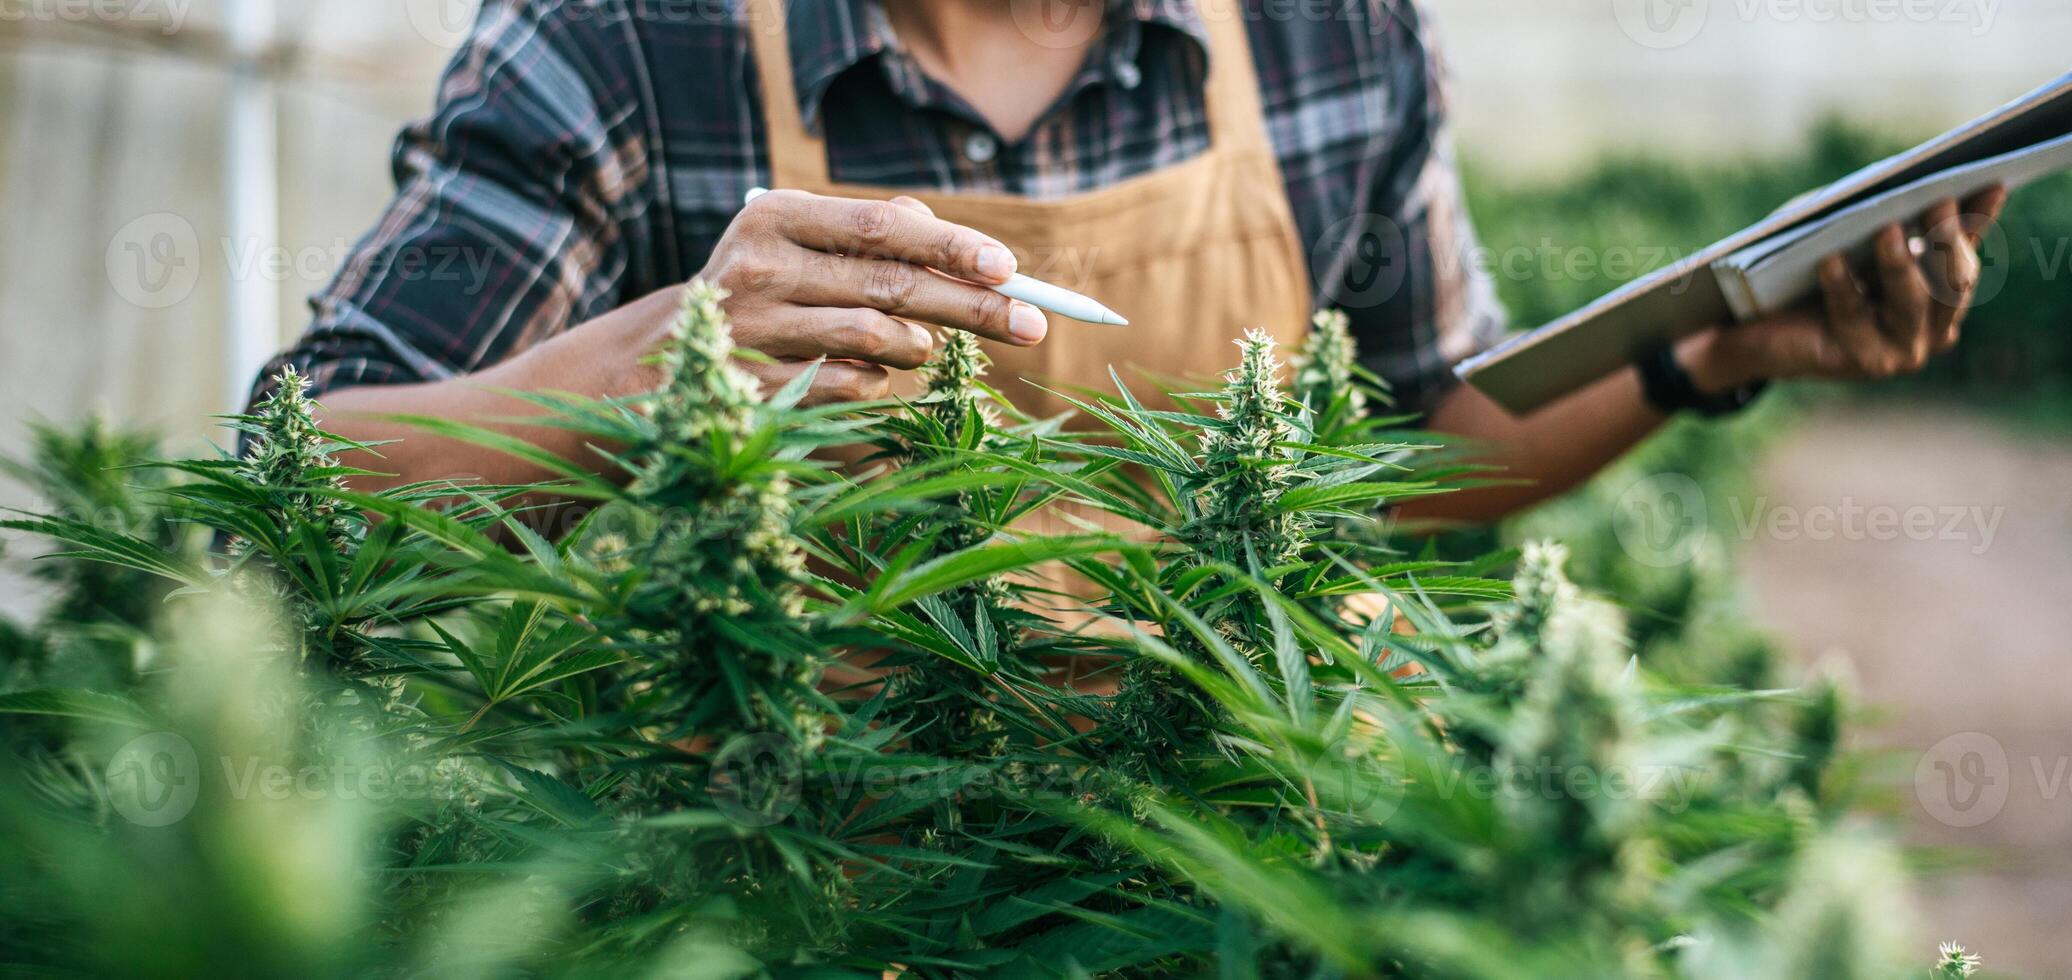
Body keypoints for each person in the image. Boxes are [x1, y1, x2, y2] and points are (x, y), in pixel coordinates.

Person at [257, 0, 2007, 525]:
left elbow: (1406, 461)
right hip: (773, 888)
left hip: (1216, 867)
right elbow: (297, 472)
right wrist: (655, 369)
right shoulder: (625, 43)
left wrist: (1725, 353)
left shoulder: (1335, 39)